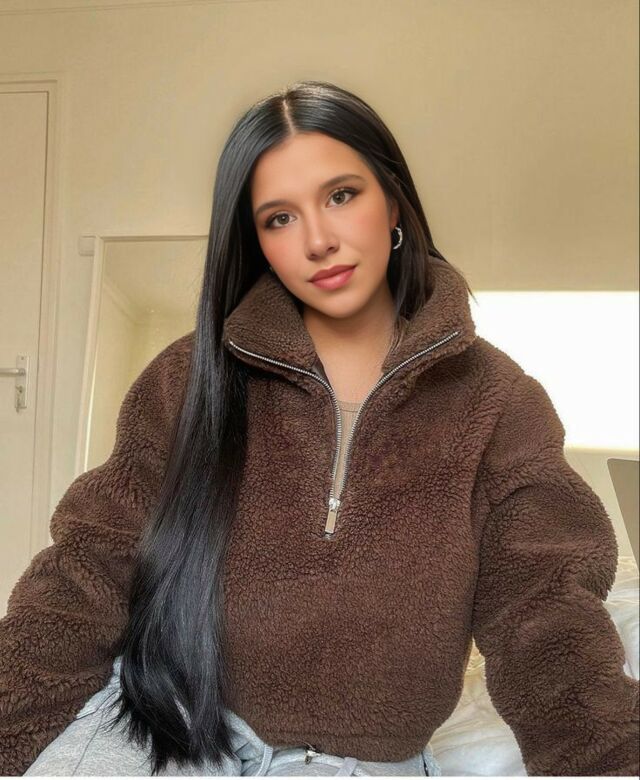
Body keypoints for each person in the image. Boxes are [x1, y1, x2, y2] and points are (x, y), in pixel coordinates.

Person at [1, 80, 638, 777]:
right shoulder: (186, 376)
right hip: (163, 730)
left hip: (364, 762)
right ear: (257, 241)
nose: (318, 240)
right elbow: (86, 569)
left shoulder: (499, 401)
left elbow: (545, 613)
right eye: (279, 218)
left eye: (341, 195)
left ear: (392, 200)